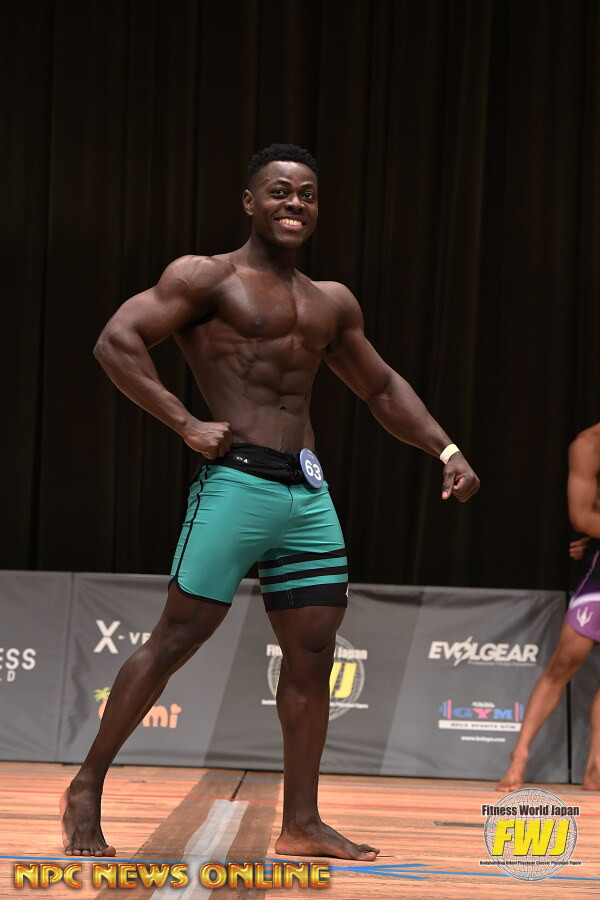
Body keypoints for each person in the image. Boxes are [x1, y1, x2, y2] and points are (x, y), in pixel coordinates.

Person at [60, 143, 480, 859]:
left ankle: (302, 823)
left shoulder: (331, 302)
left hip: (307, 496)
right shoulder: (205, 277)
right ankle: (86, 786)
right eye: (281, 191)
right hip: (236, 484)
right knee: (177, 637)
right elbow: (116, 341)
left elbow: (380, 387)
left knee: (313, 655)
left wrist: (446, 449)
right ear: (250, 201)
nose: (295, 204)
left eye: (307, 194)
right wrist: (184, 422)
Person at [497, 421, 600, 792]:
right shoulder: (589, 444)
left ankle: (595, 767)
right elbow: (582, 517)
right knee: (565, 661)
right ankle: (519, 754)